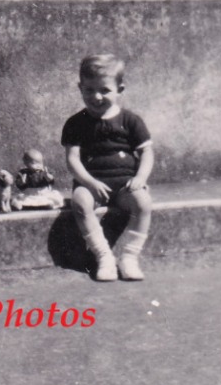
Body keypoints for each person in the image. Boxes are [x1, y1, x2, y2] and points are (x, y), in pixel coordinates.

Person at [61, 54, 154, 282]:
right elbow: (72, 159)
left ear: (120, 89)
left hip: (125, 186)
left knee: (143, 202)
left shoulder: (131, 121)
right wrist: (89, 183)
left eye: (104, 90)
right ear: (80, 88)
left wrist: (141, 177)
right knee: (80, 201)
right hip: (92, 185)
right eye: (89, 90)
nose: (97, 96)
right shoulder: (76, 123)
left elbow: (146, 152)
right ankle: (104, 256)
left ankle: (130, 257)